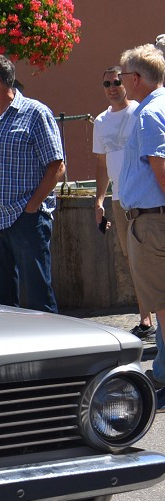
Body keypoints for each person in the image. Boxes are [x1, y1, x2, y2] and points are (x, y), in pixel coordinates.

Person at [0, 53, 65, 313]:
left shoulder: (35, 113)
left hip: (25, 219)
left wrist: (32, 207)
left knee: (37, 299)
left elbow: (56, 165)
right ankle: (14, 354)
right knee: (1, 304)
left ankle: (51, 352)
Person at [115, 44, 165, 402]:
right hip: (152, 219)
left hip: (152, 222)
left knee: (162, 305)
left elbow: (161, 169)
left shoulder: (149, 114)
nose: (119, 83)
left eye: (122, 77)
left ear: (135, 78)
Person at [94, 65, 152, 337]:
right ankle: (146, 320)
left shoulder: (140, 111)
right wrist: (99, 200)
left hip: (144, 195)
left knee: (151, 257)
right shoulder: (101, 121)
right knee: (132, 261)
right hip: (119, 199)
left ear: (126, 82)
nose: (112, 87)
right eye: (107, 84)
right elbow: (101, 163)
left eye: (117, 81)